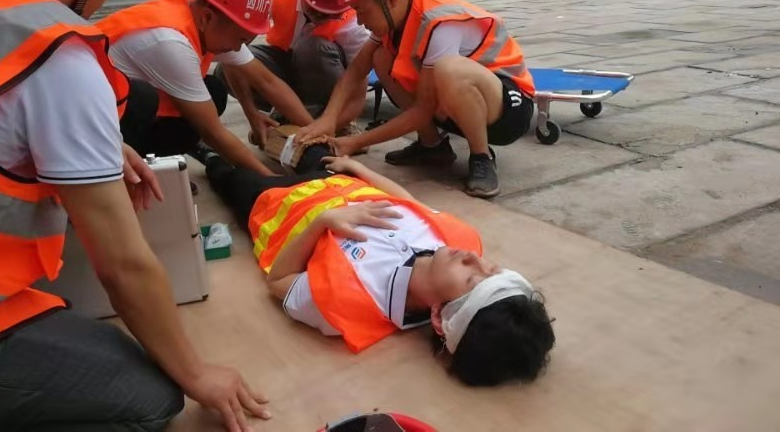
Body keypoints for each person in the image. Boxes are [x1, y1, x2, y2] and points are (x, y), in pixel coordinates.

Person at [0, 0, 269, 431]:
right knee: (151, 398)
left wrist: (101, 145)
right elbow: (123, 266)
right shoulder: (57, 57)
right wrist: (196, 373)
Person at [192, 145, 555, 386]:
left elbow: (278, 280)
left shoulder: (347, 306)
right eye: (492, 269)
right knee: (312, 147)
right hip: (339, 180)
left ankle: (205, 153)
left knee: (232, 177)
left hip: (277, 202)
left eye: (471, 280)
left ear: (437, 316)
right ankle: (276, 137)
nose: (473, 259)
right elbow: (406, 201)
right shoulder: (458, 239)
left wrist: (322, 222)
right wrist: (358, 168)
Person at [296, 0, 536, 198]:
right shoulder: (395, 12)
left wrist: (354, 142)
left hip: (508, 109)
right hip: (464, 105)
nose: (359, 21)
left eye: (361, 10)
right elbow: (357, 70)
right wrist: (328, 119)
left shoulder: (438, 23)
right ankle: (432, 146)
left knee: (448, 69)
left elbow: (423, 111)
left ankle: (481, 156)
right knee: (381, 57)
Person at [99, 0, 289, 175]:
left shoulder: (210, 18)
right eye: (240, 39)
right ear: (207, 17)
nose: (238, 48)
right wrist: (270, 178)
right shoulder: (171, 42)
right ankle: (125, 171)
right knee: (146, 100)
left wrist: (309, 129)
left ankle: (160, 163)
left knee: (213, 91)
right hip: (97, 123)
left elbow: (268, 81)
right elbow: (213, 133)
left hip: (121, 105)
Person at [212, 0, 371, 148]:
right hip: (287, 65)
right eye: (314, 9)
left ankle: (331, 123)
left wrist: (326, 128)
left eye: (328, 13)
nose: (319, 15)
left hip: (327, 81)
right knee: (228, 69)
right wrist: (252, 114)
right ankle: (288, 116)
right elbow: (233, 55)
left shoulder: (355, 26)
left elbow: (357, 99)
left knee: (310, 48)